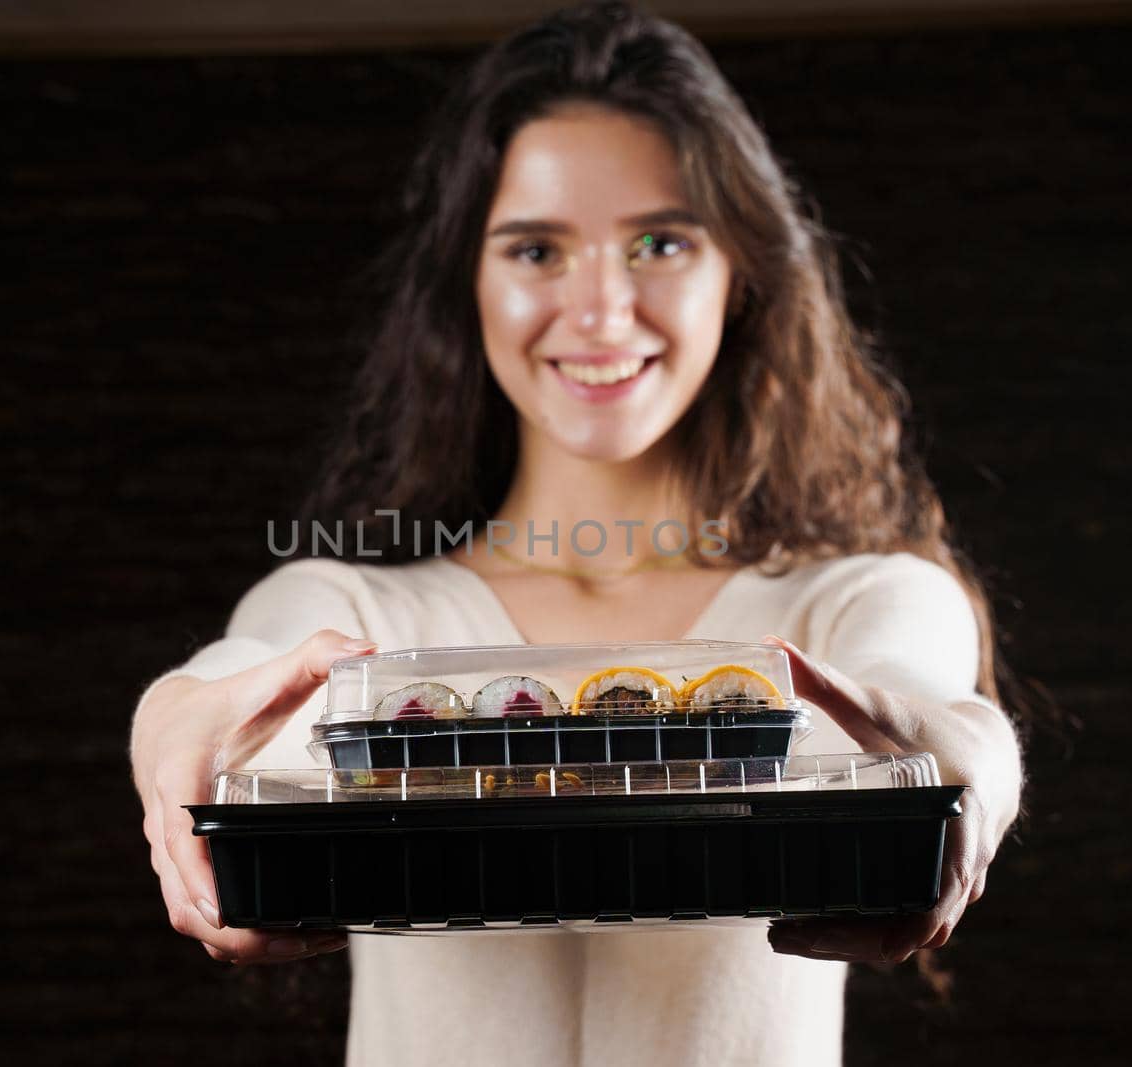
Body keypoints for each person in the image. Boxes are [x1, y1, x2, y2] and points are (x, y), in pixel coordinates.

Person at [129, 2, 1023, 1064]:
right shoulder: (356, 611)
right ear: (469, 285)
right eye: (538, 248)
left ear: (741, 274)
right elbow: (237, 670)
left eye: (660, 241)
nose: (599, 309)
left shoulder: (861, 600)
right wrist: (167, 719)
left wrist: (971, 762)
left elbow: (934, 706)